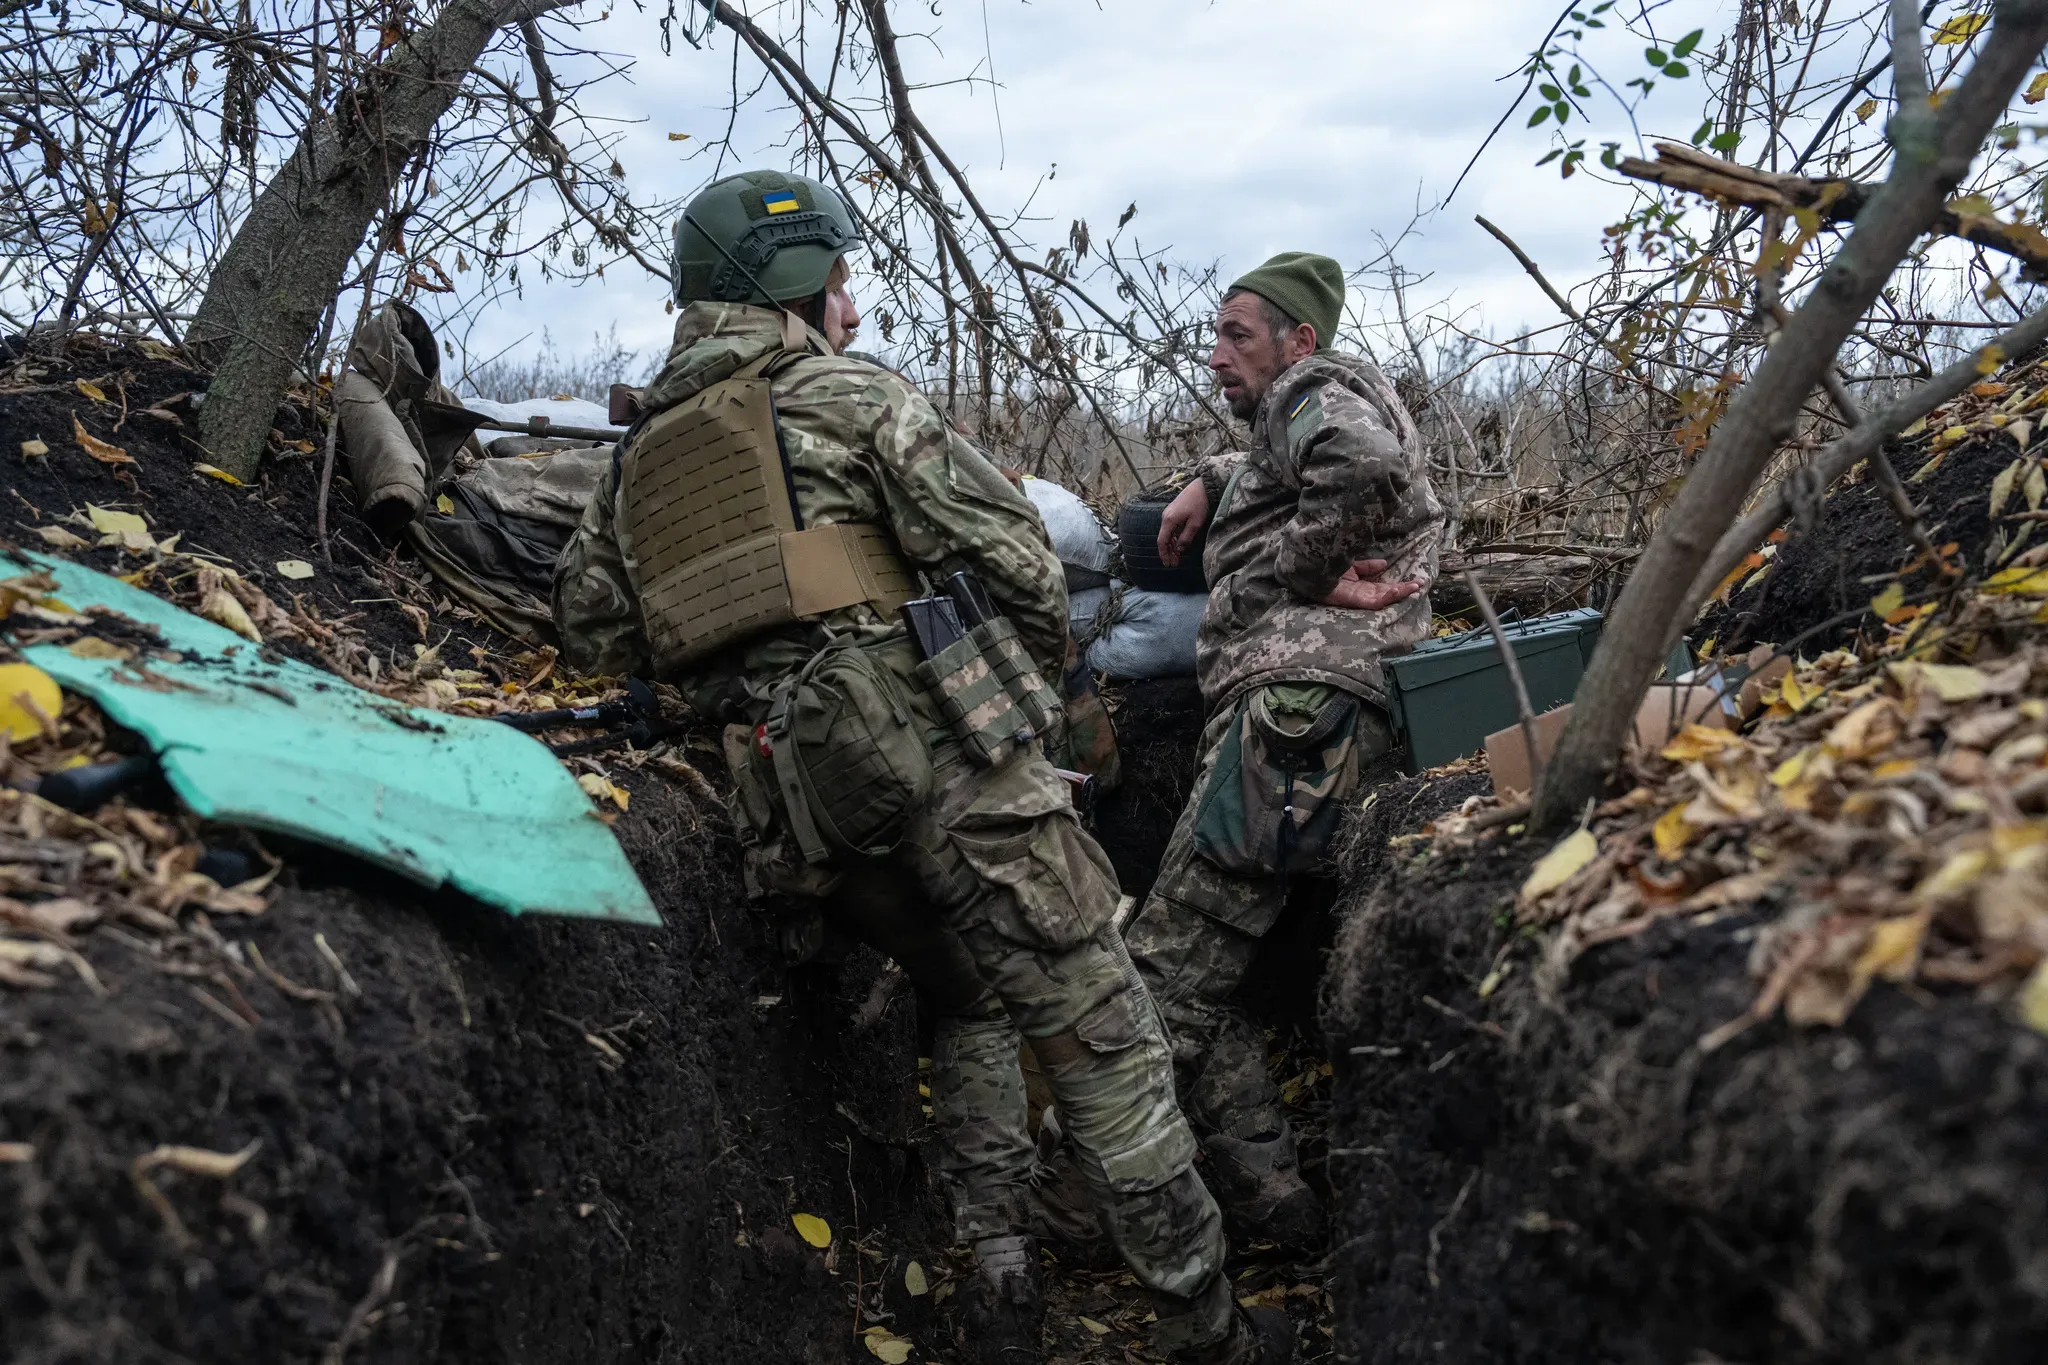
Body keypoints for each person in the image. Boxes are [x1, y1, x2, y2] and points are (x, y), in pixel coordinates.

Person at [552, 170, 1291, 1365]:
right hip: (942, 770)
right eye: (837, 278)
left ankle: (993, 1277)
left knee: (970, 998)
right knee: (1106, 1037)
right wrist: (1006, 706)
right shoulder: (851, 398)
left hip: (790, 815)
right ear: (798, 284)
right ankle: (1208, 1329)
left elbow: (592, 631)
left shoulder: (639, 463)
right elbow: (1018, 561)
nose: (848, 299)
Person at [1124, 252, 1446, 1247]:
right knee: (1197, 978)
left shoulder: (1313, 385)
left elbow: (1362, 467)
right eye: (1211, 336)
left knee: (1159, 978)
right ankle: (1273, 1201)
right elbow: (1310, 453)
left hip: (1292, 715)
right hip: (1329, 718)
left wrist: (1301, 572)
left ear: (1298, 341)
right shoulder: (1322, 396)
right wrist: (1210, 476)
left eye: (1237, 335)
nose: (1215, 355)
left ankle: (1088, 1197)